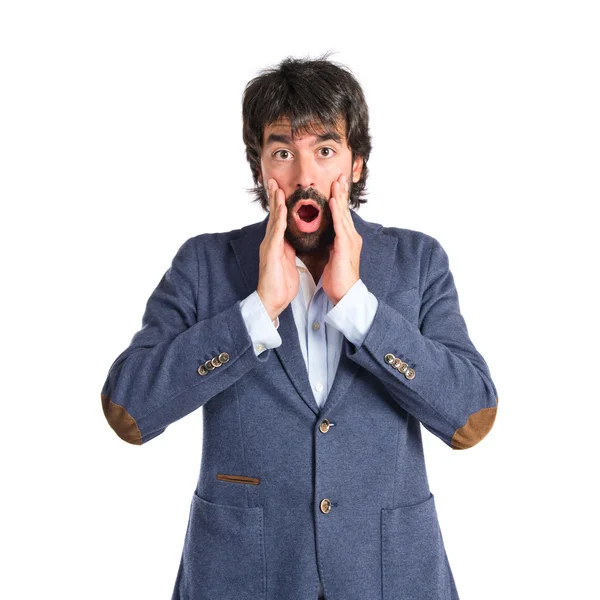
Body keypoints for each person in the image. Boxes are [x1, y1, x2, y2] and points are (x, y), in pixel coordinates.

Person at [100, 53, 498, 600]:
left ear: (355, 164)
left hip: (389, 579)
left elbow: (471, 417)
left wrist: (358, 306)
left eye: (326, 150)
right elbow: (129, 410)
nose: (305, 177)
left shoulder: (417, 262)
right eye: (283, 152)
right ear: (260, 168)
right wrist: (254, 313)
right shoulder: (204, 264)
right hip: (243, 577)